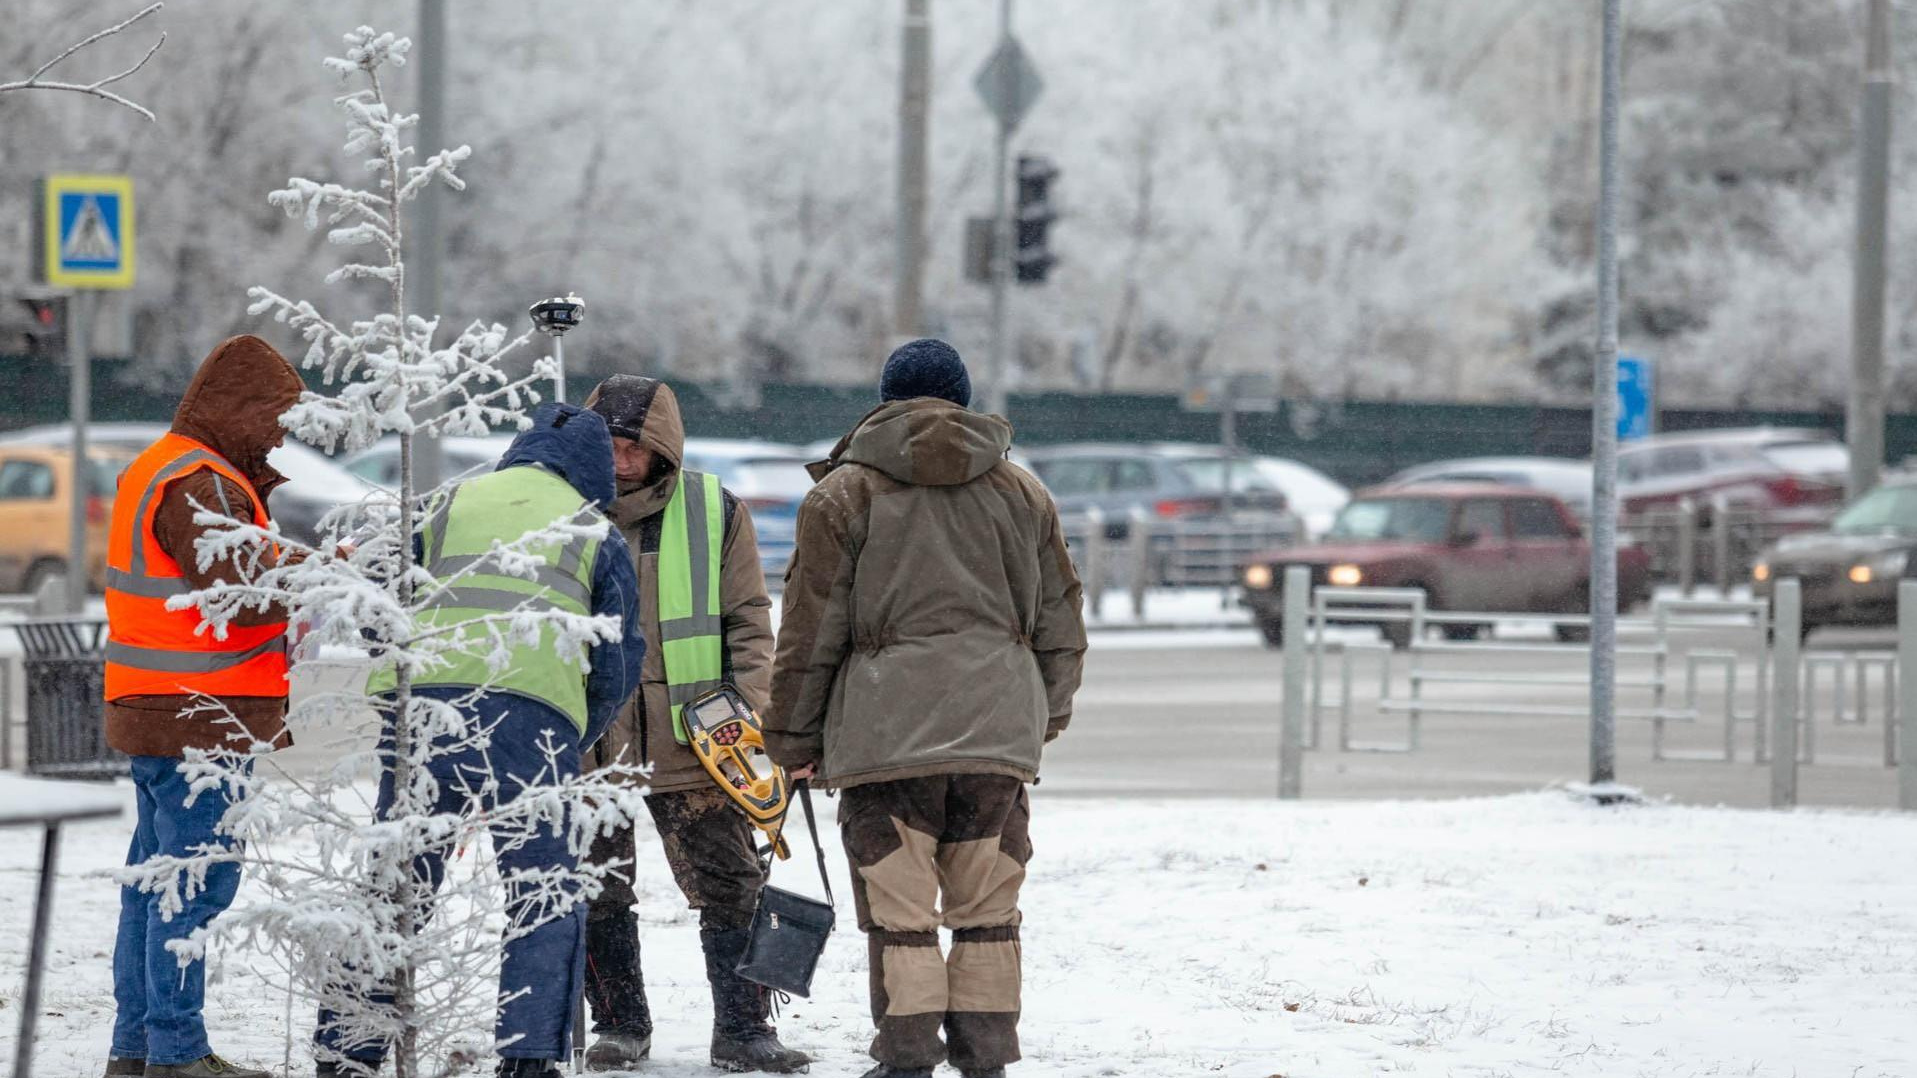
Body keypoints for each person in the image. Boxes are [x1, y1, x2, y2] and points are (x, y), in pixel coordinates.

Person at [764, 339, 1088, 1078]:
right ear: (963, 400)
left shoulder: (841, 496)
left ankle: (905, 1058)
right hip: (996, 740)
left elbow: (811, 632)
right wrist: (1042, 716)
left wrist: (791, 738)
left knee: (899, 910)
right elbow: (1061, 624)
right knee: (986, 910)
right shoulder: (1023, 493)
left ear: (884, 401)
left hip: (885, 740)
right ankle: (985, 1059)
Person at [315, 403, 646, 1078]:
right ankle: (528, 1059)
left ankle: (349, 1052)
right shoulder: (593, 529)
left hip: (424, 714)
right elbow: (616, 658)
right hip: (535, 719)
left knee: (395, 881)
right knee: (542, 889)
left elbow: (378, 604)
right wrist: (579, 725)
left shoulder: (445, 504)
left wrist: (400, 686)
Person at [577, 375, 811, 1074]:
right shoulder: (561, 510)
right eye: (609, 444)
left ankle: (744, 1031)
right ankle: (619, 1026)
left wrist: (746, 706)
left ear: (662, 448)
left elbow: (748, 619)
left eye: (634, 447)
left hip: (696, 740)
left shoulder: (713, 509)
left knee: (732, 884)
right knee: (595, 887)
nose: (620, 460)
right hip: (590, 743)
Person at [103, 335, 308, 1078]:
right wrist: (329, 579)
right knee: (191, 889)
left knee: (155, 887)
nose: (282, 434)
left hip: (158, 706)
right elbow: (239, 596)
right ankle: (178, 1055)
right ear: (241, 410)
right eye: (275, 417)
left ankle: (137, 1050)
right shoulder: (202, 481)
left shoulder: (166, 466)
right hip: (201, 715)